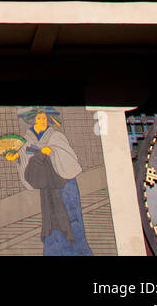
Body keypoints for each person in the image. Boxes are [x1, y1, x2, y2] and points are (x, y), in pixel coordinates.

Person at [6, 107, 93, 256]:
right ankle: (54, 251)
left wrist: (52, 151)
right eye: (39, 119)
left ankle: (78, 251)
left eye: (44, 119)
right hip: (47, 187)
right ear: (33, 120)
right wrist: (16, 157)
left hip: (64, 183)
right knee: (51, 219)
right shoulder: (27, 139)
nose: (42, 121)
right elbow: (23, 155)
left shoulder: (55, 136)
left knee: (72, 217)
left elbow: (66, 153)